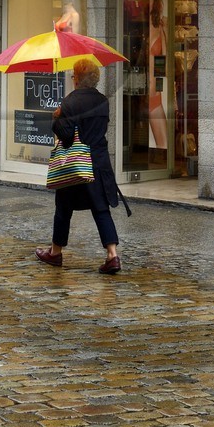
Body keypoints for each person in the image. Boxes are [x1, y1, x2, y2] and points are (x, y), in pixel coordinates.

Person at [35, 58, 130, 274]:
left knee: (63, 208)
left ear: (76, 78)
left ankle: (56, 252)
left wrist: (57, 118)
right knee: (101, 208)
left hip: (75, 163)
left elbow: (67, 136)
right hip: (98, 161)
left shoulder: (70, 102)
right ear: (95, 78)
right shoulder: (103, 101)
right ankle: (112, 255)